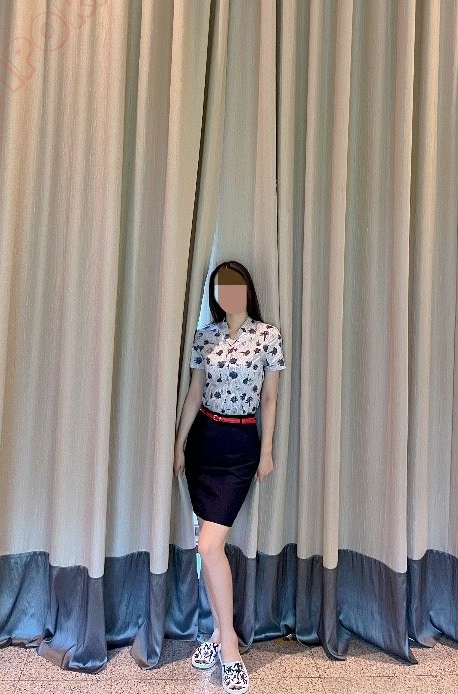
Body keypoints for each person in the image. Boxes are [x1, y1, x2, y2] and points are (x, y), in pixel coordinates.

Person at [173, 260, 286, 694]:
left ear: (247, 290)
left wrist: (266, 449)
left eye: (235, 286)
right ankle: (221, 633)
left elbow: (270, 398)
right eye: (221, 288)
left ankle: (231, 648)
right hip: (204, 441)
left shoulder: (268, 335)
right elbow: (194, 393)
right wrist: (179, 444)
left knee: (208, 545)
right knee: (208, 547)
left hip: (240, 446)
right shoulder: (206, 335)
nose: (228, 294)